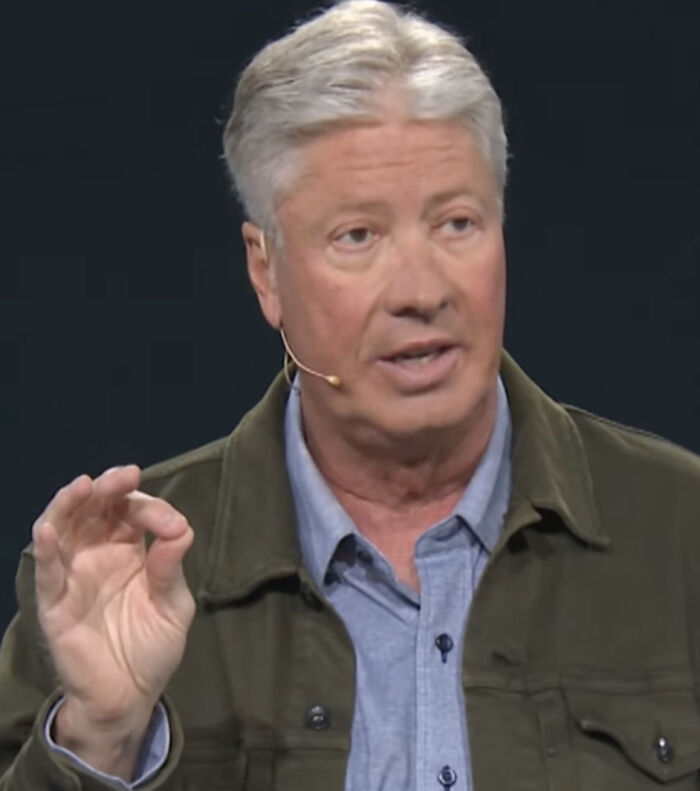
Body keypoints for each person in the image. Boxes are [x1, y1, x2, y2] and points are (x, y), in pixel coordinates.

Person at [2, 1, 700, 789]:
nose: (422, 289)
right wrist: (103, 735)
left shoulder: (683, 533)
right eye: (358, 236)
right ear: (266, 271)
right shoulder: (115, 573)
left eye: (458, 222)